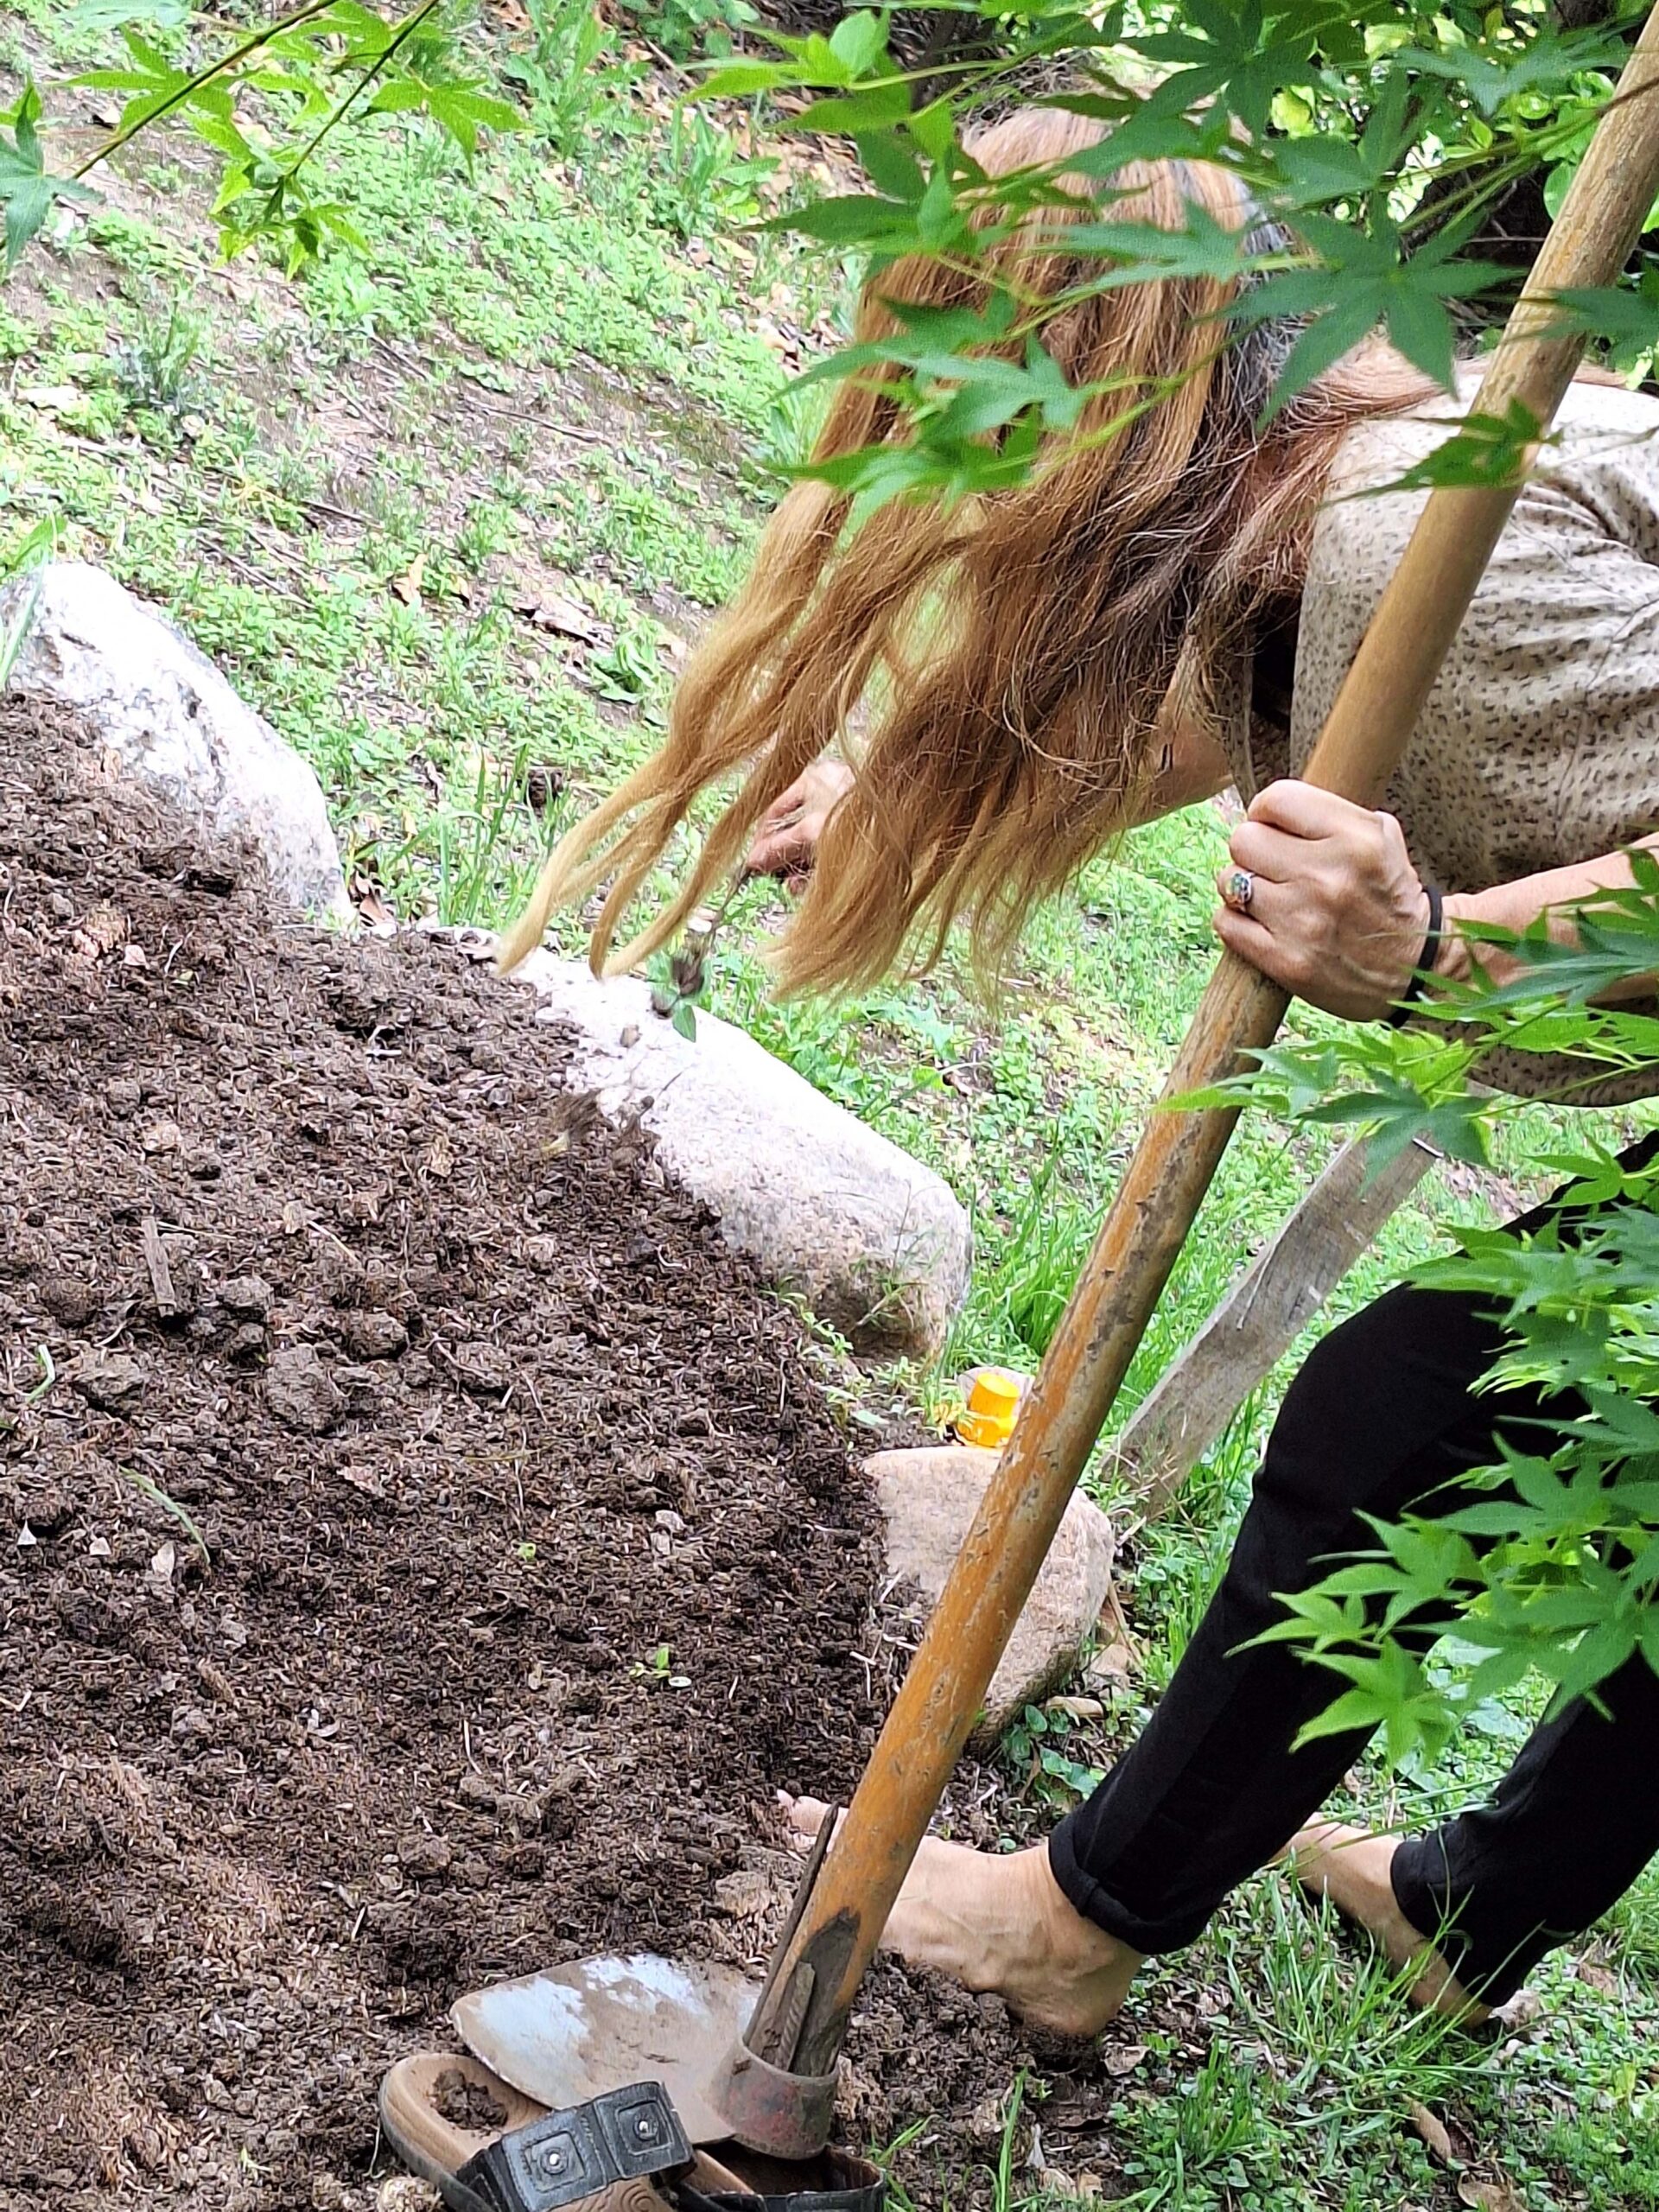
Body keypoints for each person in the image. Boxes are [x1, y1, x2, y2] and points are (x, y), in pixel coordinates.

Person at [499, 109, 1659, 2032]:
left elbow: (1379, 653)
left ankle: (1086, 1917)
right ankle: (1471, 1914)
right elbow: (1267, 686)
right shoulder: (1363, 486)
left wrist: (1446, 950)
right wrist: (895, 781)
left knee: (1413, 1419)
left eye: (971, 395)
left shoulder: (1407, 535)